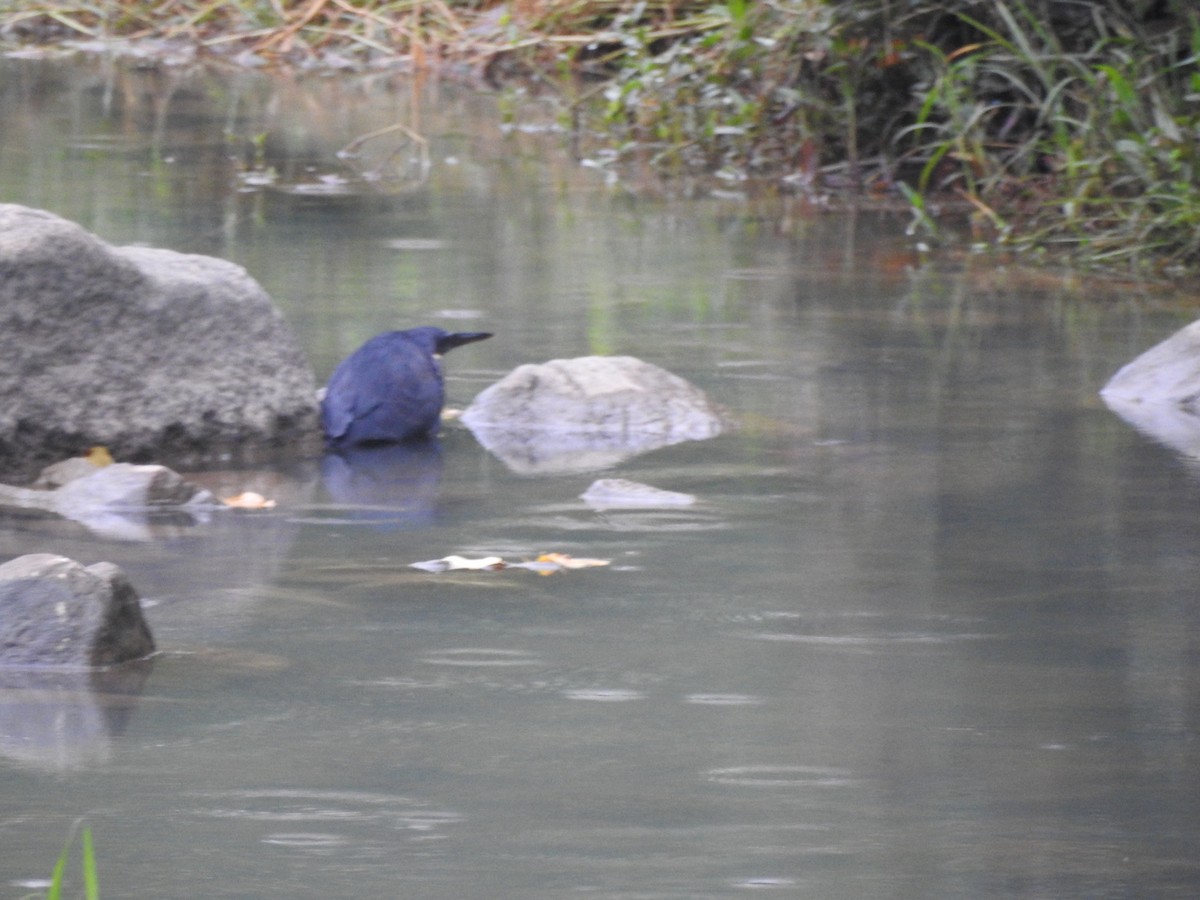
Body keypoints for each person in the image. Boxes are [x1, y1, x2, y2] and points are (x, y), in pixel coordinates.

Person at [321, 326, 492, 446]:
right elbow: (430, 432)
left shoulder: (361, 354)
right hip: (378, 453)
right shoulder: (422, 365)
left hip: (339, 440)